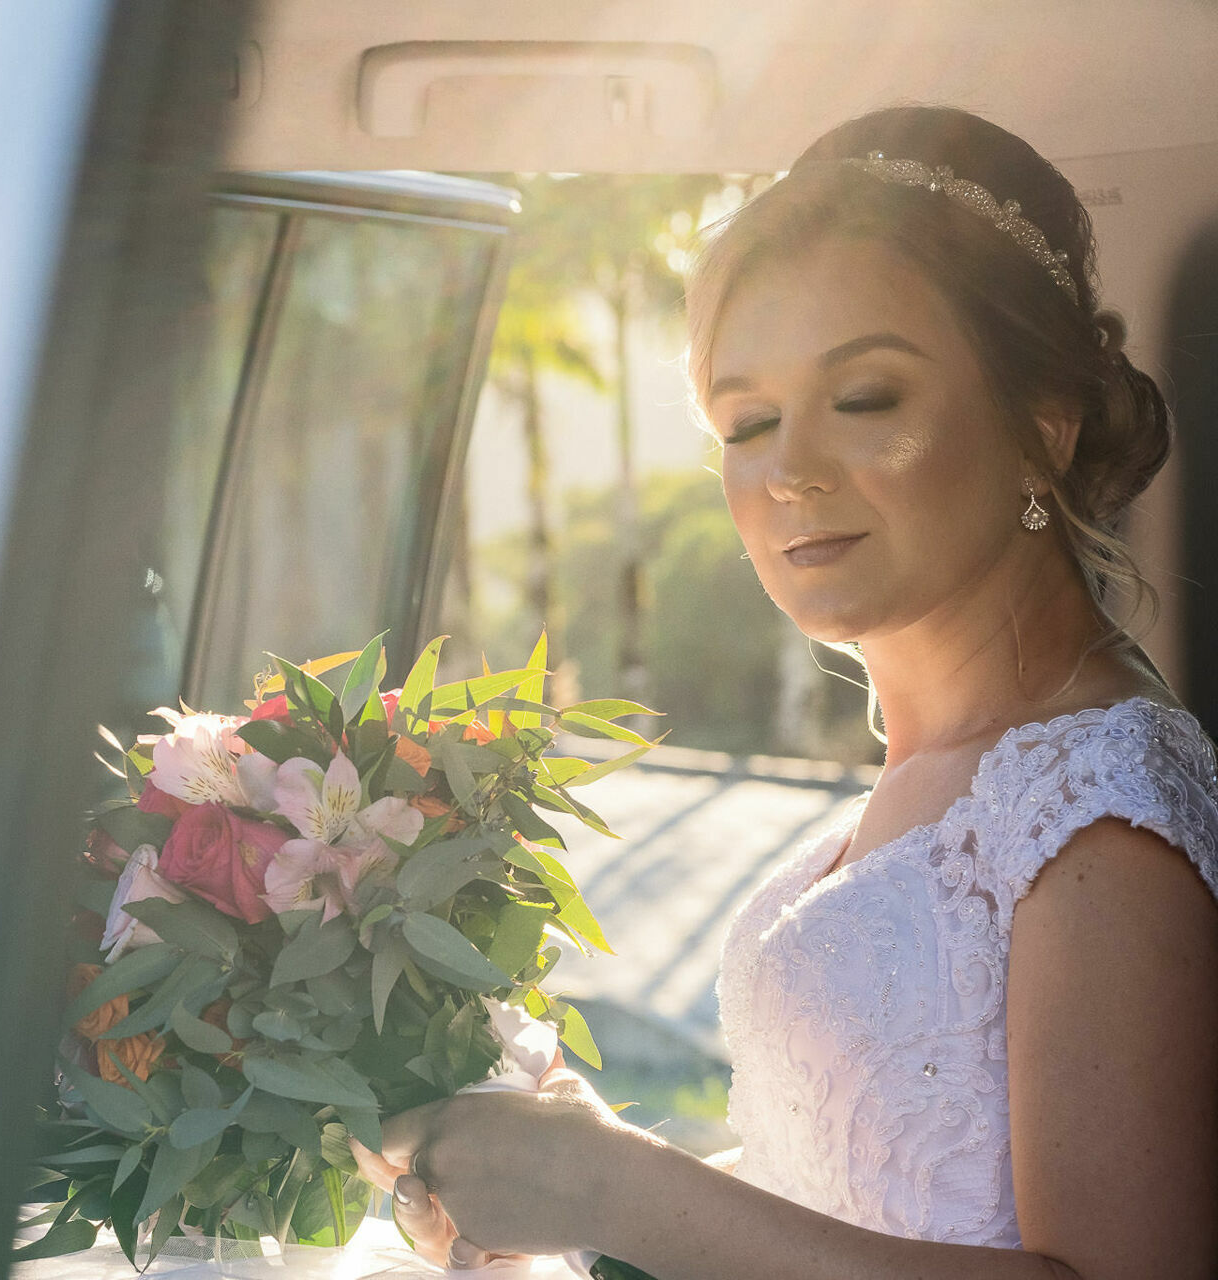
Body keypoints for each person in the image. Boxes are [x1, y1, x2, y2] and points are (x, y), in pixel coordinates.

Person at [355, 106, 1218, 1280]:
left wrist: (621, 1187)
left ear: (1044, 428)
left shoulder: (1103, 814)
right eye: (747, 421)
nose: (789, 470)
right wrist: (573, 1176)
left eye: (865, 398)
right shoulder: (934, 771)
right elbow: (855, 1203)